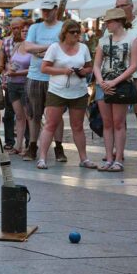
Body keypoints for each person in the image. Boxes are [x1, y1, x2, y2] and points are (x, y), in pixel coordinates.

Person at [36, 20, 96, 170]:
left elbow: (90, 67)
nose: (76, 34)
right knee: (51, 124)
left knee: (78, 126)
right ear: (64, 33)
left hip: (79, 92)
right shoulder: (54, 48)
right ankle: (42, 158)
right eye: (72, 32)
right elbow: (44, 68)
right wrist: (62, 71)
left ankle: (84, 158)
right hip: (57, 91)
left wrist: (84, 71)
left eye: (78, 31)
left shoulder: (83, 48)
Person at [93, 8, 137, 172]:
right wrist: (101, 82)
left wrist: (114, 81)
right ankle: (109, 157)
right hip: (103, 85)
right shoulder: (103, 41)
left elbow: (133, 66)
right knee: (107, 123)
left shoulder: (133, 39)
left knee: (118, 123)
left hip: (120, 84)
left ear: (118, 22)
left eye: (109, 22)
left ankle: (119, 159)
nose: (106, 24)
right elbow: (97, 65)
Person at [23, 1, 66, 162]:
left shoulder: (63, 27)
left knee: (56, 115)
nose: (45, 13)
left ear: (56, 10)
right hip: (35, 76)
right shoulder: (35, 27)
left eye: (48, 10)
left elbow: (64, 48)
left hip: (55, 77)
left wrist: (41, 50)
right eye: (43, 10)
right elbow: (27, 47)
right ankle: (32, 146)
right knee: (34, 114)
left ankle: (59, 147)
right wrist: (50, 48)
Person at [112, 0, 137, 166]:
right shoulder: (111, 26)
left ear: (131, 6)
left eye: (123, 5)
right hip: (116, 78)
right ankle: (118, 152)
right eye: (117, 5)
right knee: (118, 118)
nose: (120, 8)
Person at [4, 18, 31, 155]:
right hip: (13, 84)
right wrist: (10, 69)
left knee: (29, 116)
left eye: (27, 30)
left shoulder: (33, 47)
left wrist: (16, 72)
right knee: (19, 116)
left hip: (26, 84)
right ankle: (18, 146)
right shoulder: (16, 46)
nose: (24, 32)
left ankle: (30, 146)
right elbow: (9, 62)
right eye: (22, 30)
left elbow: (34, 69)